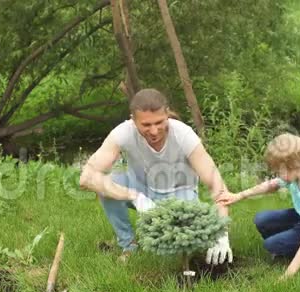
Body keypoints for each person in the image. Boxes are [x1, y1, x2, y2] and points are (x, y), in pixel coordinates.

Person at [80, 88, 232, 265]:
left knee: (174, 250)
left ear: (167, 114)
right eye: (146, 125)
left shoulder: (184, 135)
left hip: (180, 195)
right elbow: (86, 177)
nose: (154, 131)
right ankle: (129, 245)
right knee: (108, 183)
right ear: (133, 120)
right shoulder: (123, 133)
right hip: (141, 188)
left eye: (159, 122)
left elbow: (218, 188)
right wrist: (134, 196)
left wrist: (222, 234)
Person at [216, 133, 300, 279]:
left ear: (293, 165)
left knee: (271, 245)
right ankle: (288, 245)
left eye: (278, 170)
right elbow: (271, 185)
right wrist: (238, 196)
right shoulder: (297, 174)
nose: (276, 174)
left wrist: (288, 275)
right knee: (261, 219)